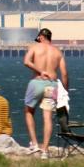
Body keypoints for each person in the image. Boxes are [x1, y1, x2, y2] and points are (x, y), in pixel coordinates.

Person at [22, 28, 69, 158]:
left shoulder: (35, 47)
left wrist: (40, 71)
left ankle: (35, 144)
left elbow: (26, 62)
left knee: (28, 111)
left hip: (36, 82)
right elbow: (64, 74)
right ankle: (45, 151)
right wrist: (65, 90)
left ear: (41, 37)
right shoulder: (58, 52)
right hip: (53, 85)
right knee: (47, 117)